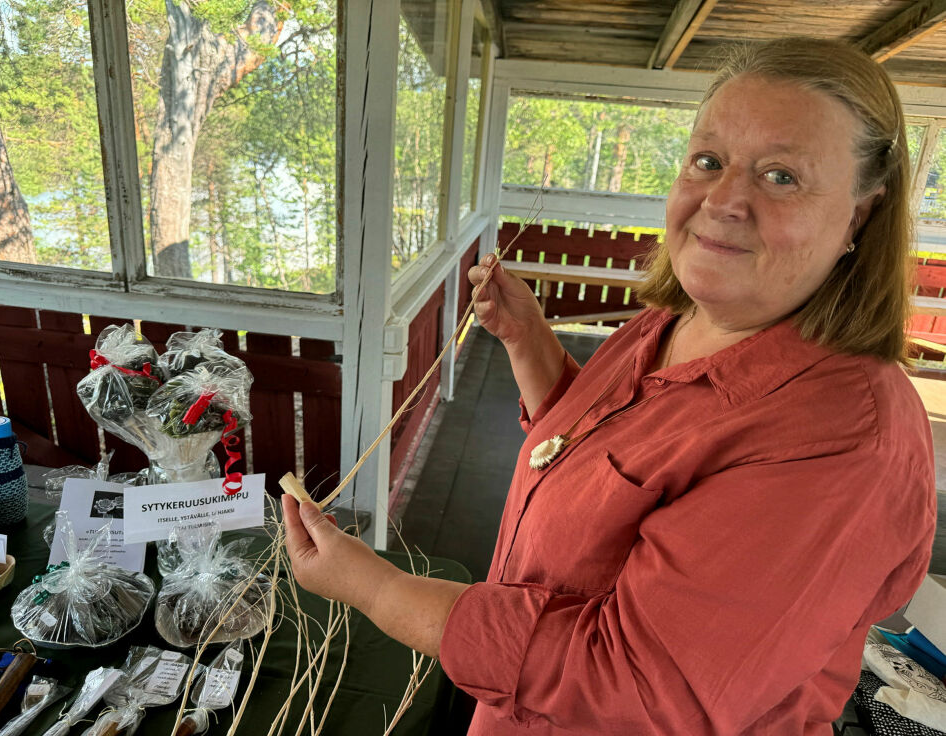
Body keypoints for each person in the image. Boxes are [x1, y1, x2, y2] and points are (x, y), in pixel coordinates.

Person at [282, 37, 938, 734]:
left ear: (861, 214)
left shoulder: (841, 436)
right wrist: (531, 346)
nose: (723, 200)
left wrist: (377, 588)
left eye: (782, 177)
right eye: (708, 161)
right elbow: (594, 456)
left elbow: (639, 686)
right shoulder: (670, 321)